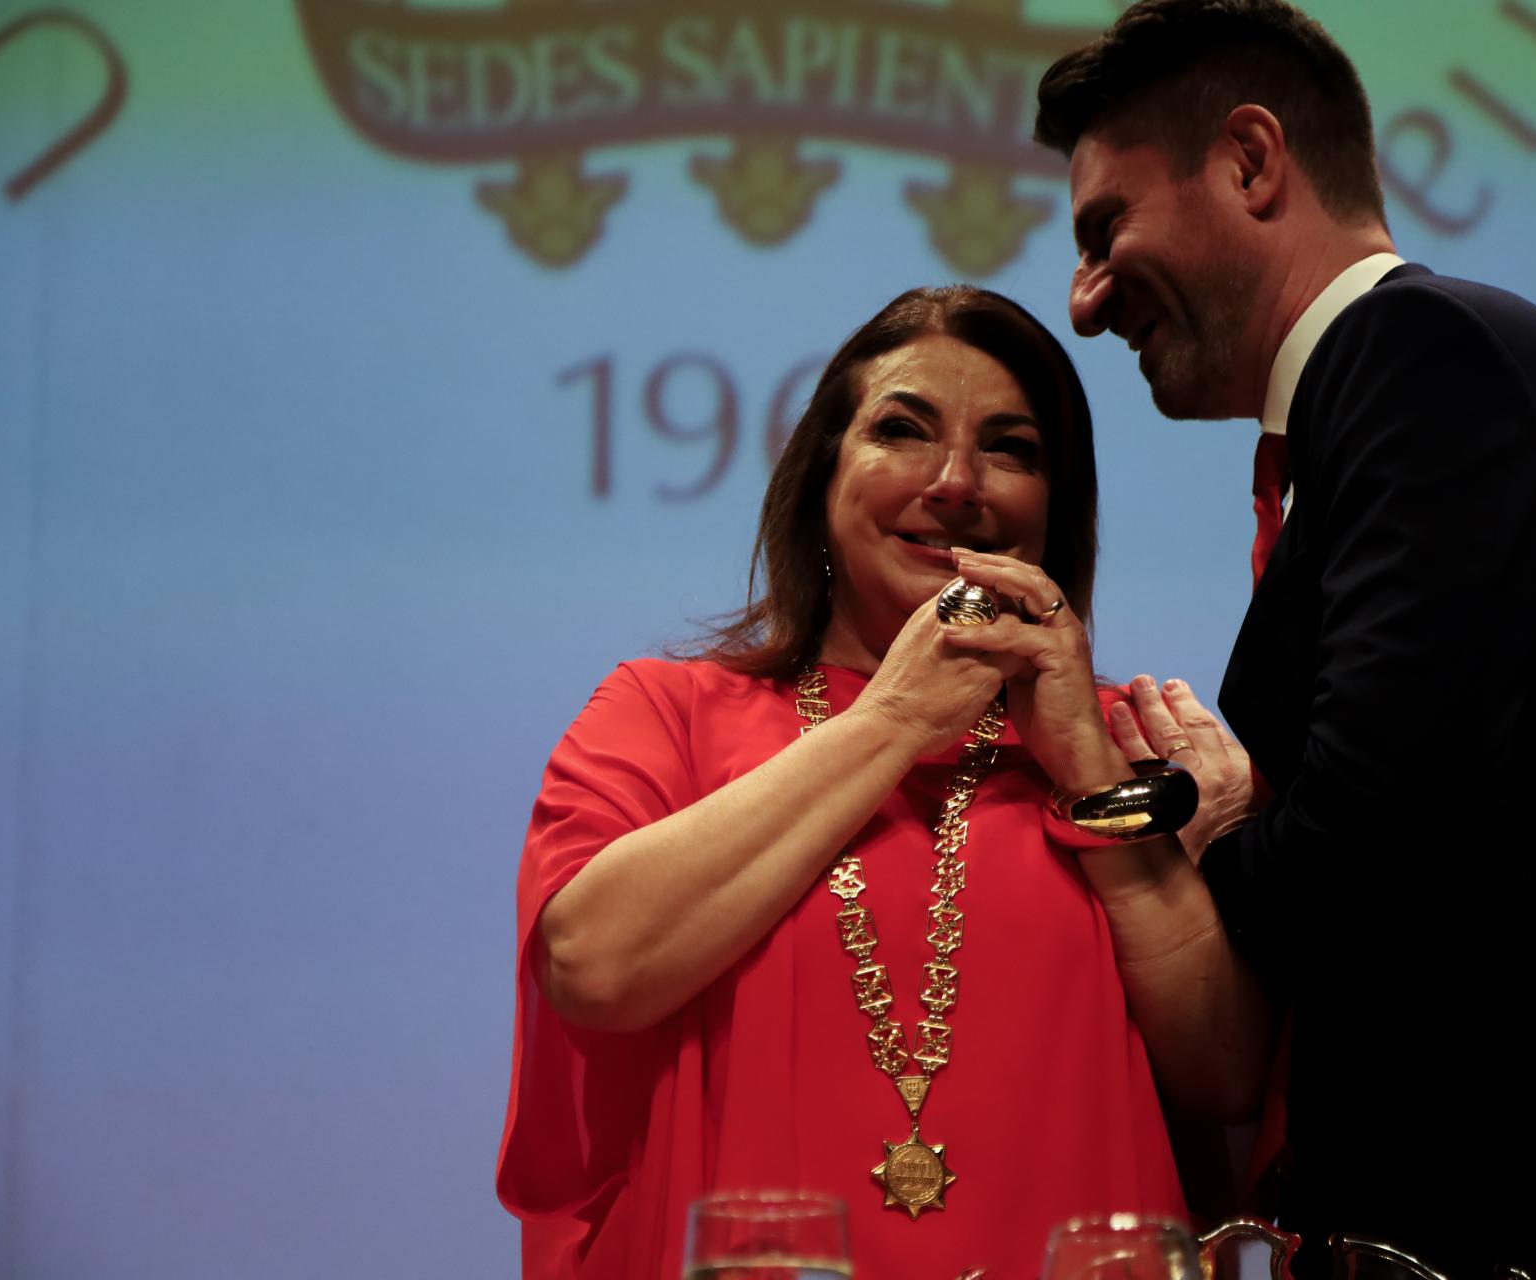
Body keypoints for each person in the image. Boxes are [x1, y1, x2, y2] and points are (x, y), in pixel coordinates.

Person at [1034, 2, 1536, 1277]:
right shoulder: (1375, 402)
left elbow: (1379, 830)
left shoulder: (1421, 356)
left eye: (1105, 230)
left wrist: (1217, 832)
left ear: (1250, 161)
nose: (1085, 301)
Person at [495, 285, 1271, 1280]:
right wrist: (895, 720)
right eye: (902, 431)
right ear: (822, 477)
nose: (955, 483)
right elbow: (593, 968)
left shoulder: (1130, 746)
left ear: (1054, 509)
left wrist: (1087, 764)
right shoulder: (666, 712)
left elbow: (1227, 1073)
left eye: (1011, 449)